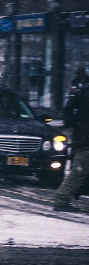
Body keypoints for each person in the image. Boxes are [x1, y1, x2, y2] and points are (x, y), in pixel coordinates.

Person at [55, 80, 89, 211]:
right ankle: (61, 198)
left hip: (82, 137)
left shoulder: (84, 91)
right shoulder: (86, 94)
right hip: (85, 139)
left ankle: (63, 197)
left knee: (80, 170)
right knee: (78, 171)